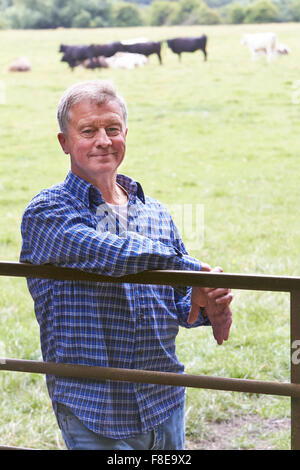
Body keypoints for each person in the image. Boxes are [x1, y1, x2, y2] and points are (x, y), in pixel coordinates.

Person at [19, 80, 233, 450]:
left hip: (163, 399)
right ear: (64, 143)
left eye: (112, 129)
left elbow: (178, 301)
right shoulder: (48, 212)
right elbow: (112, 253)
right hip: (94, 407)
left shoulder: (154, 212)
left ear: (125, 134)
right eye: (88, 131)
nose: (103, 140)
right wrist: (191, 266)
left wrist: (203, 304)